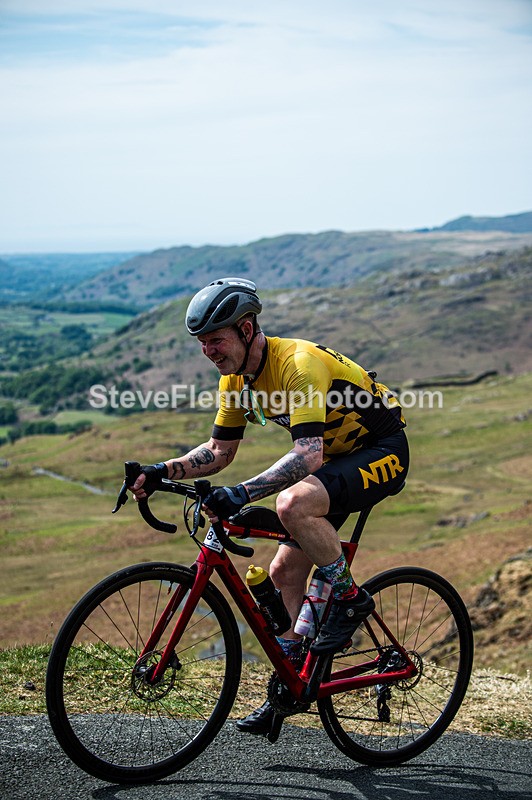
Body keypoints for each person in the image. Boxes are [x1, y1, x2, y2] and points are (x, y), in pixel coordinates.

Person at [131, 276, 409, 734]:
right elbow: (219, 453)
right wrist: (160, 471)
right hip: (338, 463)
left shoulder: (297, 364)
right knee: (282, 575)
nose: (209, 352)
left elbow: (307, 456)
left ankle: (350, 599)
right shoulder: (236, 381)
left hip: (381, 449)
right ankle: (290, 689)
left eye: (216, 340)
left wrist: (241, 492)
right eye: (202, 344)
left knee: (293, 503)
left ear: (246, 328)